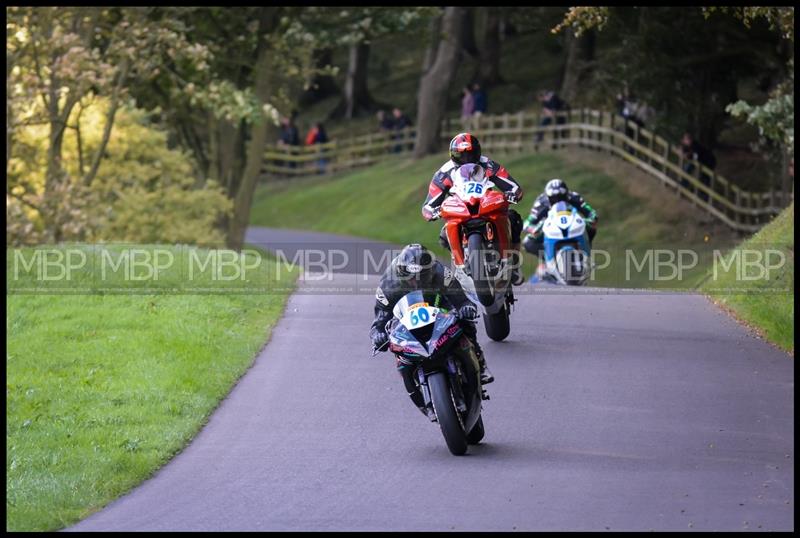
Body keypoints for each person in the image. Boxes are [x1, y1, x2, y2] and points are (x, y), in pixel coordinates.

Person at [369, 244, 494, 420]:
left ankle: (479, 362)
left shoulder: (441, 274)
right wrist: (378, 335)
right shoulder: (388, 285)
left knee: (466, 321)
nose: (417, 281)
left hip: (440, 309)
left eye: (422, 276)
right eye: (412, 278)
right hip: (407, 321)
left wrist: (466, 308)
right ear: (402, 274)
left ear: (430, 272)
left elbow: (461, 299)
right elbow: (379, 320)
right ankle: (421, 396)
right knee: (396, 349)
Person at [421, 132, 526, 285]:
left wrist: (512, 194)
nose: (466, 160)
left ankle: (514, 264)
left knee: (513, 218)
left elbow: (514, 187)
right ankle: (462, 263)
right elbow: (429, 204)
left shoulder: (489, 165)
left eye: (470, 155)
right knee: (444, 235)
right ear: (453, 155)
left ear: (478, 152)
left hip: (487, 206)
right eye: (461, 155)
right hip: (461, 210)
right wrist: (432, 211)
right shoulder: (444, 174)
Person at [522, 179, 598, 277]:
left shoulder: (574, 197)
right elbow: (528, 222)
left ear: (566, 194)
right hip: (549, 227)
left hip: (572, 224)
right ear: (548, 197)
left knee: (591, 228)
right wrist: (533, 229)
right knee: (528, 242)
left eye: (561, 197)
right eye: (553, 198)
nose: (557, 200)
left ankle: (587, 255)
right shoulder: (541, 202)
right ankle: (547, 261)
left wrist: (592, 218)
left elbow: (590, 211)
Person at [680, 133, 716, 202]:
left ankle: (706, 197)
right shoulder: (688, 145)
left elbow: (695, 157)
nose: (685, 142)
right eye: (684, 140)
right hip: (702, 161)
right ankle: (684, 184)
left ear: (689, 140)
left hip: (709, 161)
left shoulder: (695, 146)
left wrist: (687, 156)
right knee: (688, 168)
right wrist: (683, 151)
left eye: (686, 140)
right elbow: (685, 150)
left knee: (705, 178)